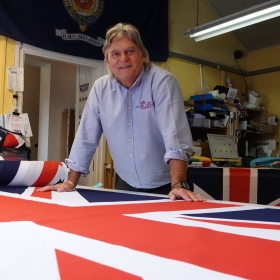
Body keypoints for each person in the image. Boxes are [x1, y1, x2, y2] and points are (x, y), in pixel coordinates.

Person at [38, 23, 205, 202]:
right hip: (126, 185)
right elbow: (85, 137)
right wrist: (70, 183)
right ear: (108, 61)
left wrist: (178, 185)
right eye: (115, 54)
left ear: (142, 55)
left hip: (168, 187)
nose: (123, 58)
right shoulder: (100, 89)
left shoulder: (163, 82)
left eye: (130, 51)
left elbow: (175, 138)